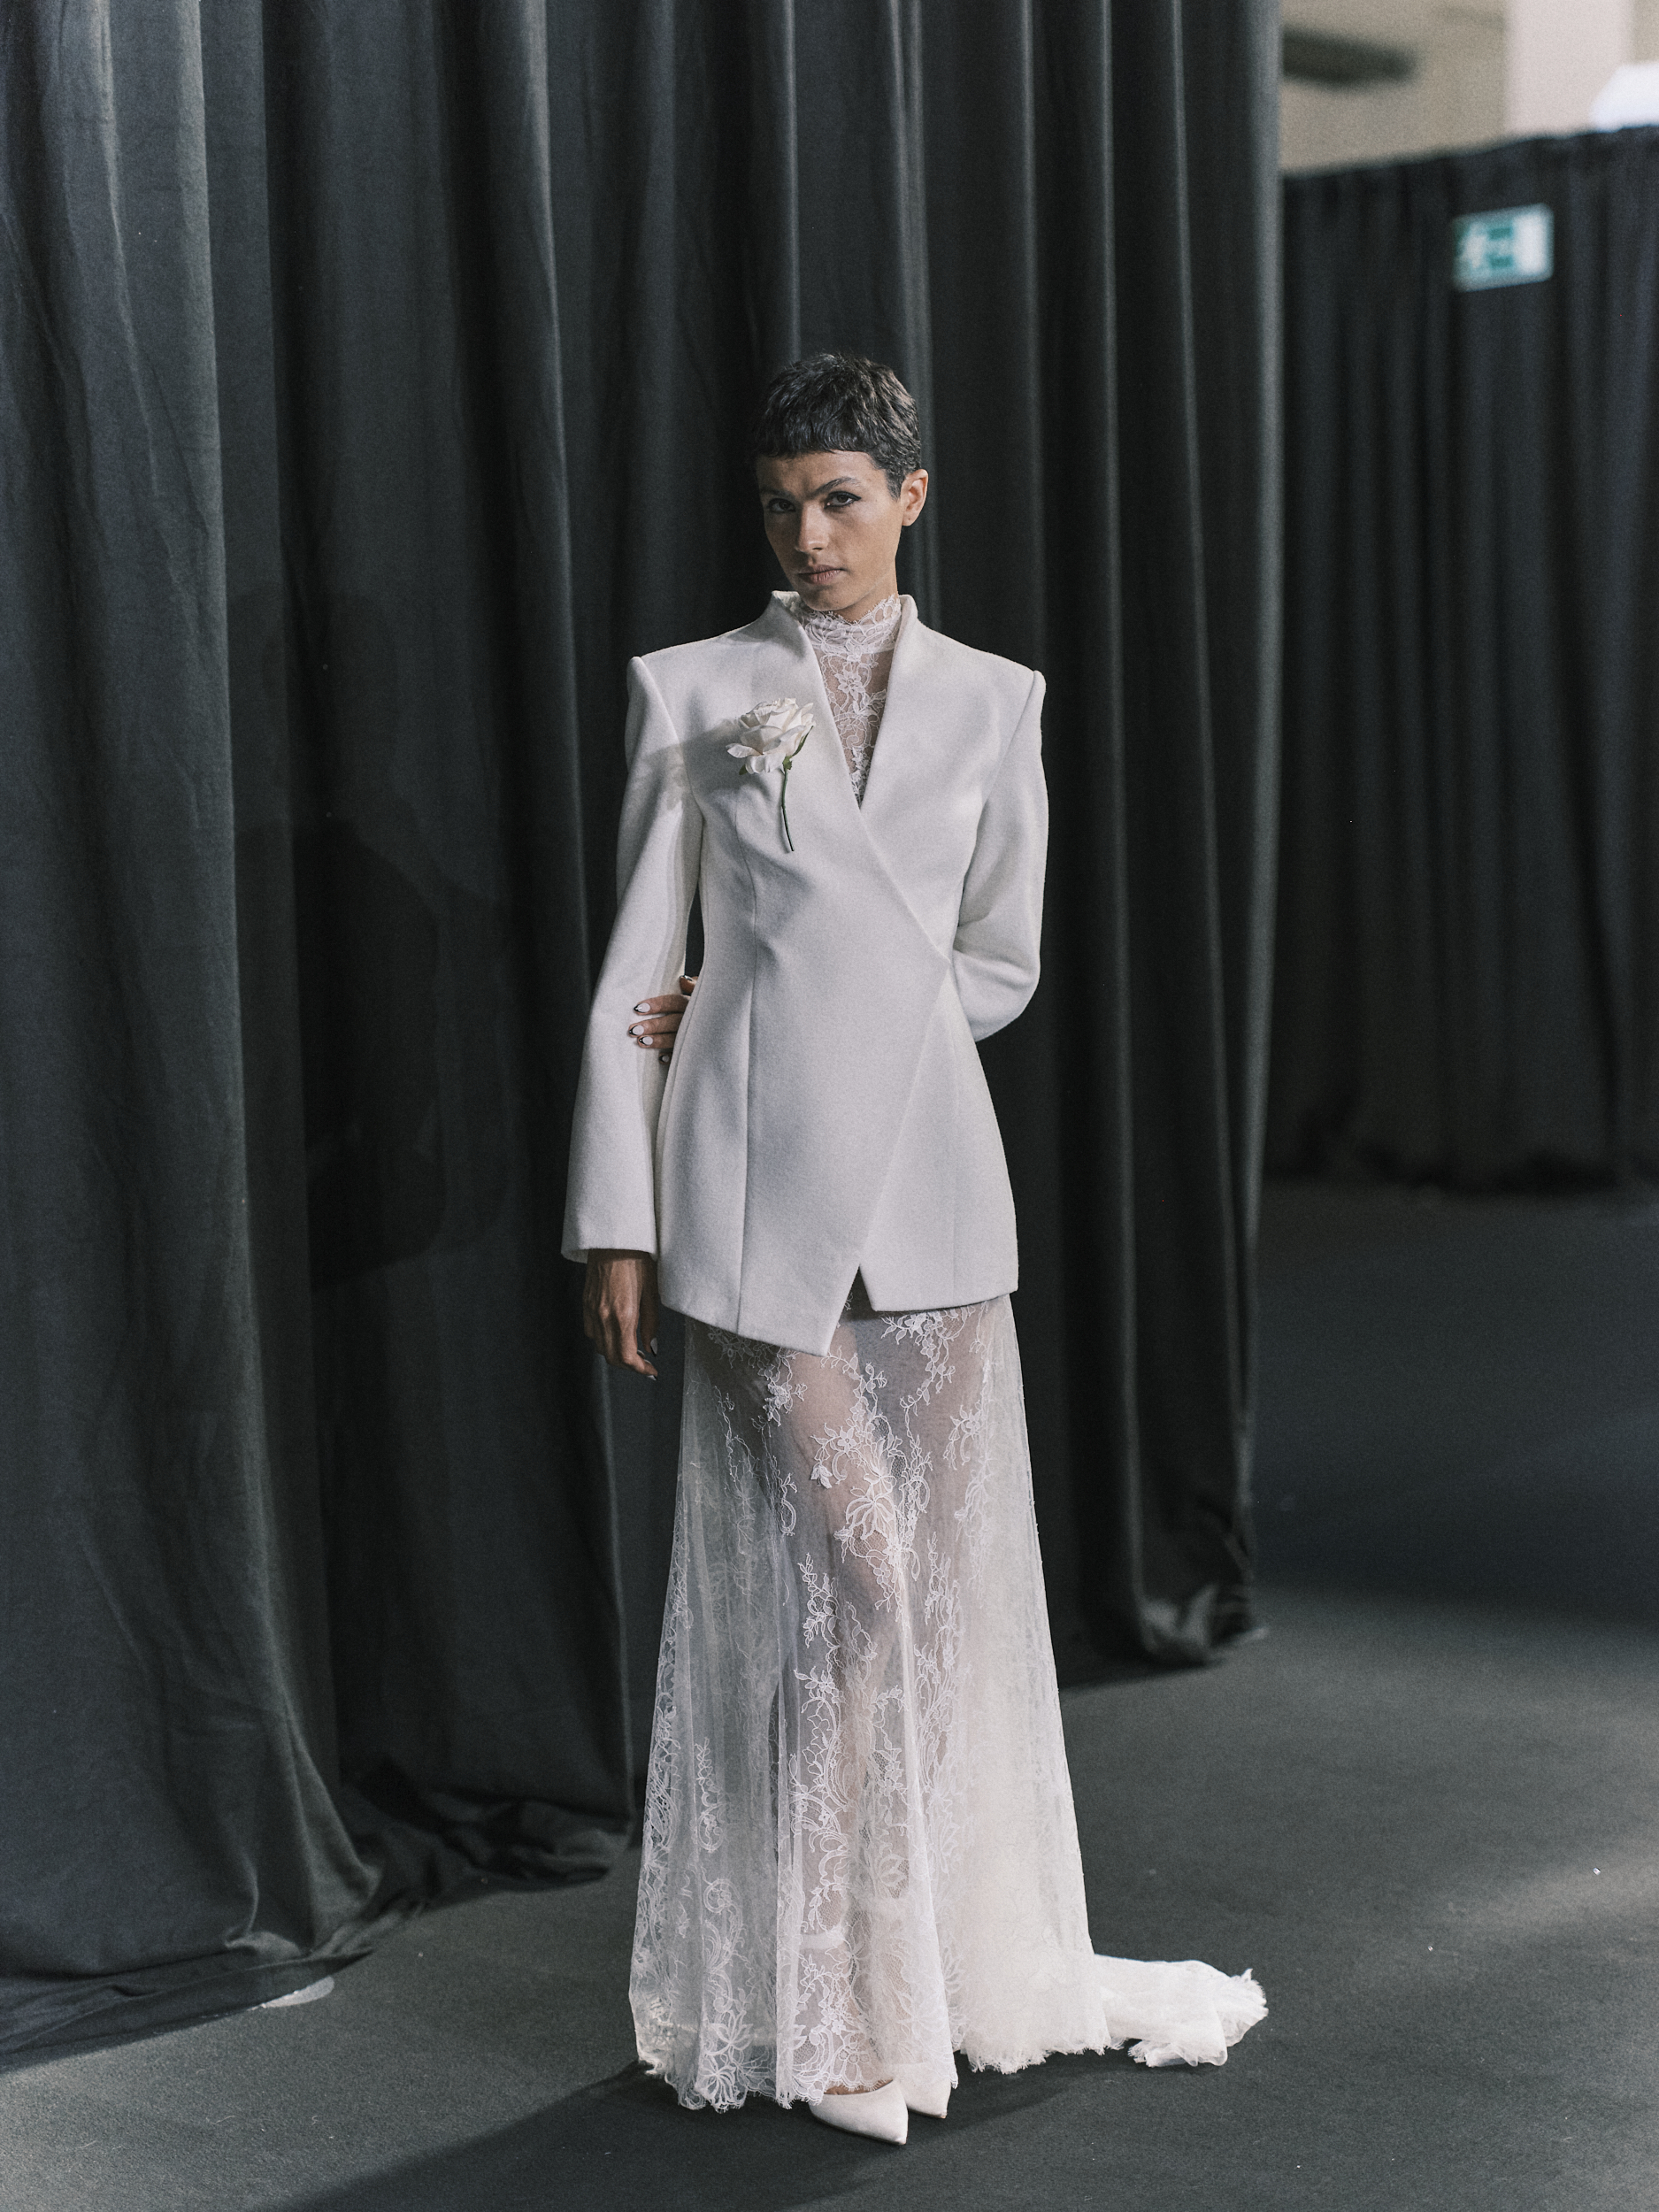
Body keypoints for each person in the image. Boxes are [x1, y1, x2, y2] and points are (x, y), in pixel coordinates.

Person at [562, 353, 1264, 2146]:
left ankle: (923, 1972)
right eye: (781, 505)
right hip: (749, 1200)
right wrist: (618, 1220)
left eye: (839, 501)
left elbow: (997, 961)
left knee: (929, 1610)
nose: (808, 536)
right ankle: (828, 2001)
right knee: (857, 1591)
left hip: (934, 1201)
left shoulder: (994, 702)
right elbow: (635, 973)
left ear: (910, 498)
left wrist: (812, 1004)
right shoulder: (696, 692)